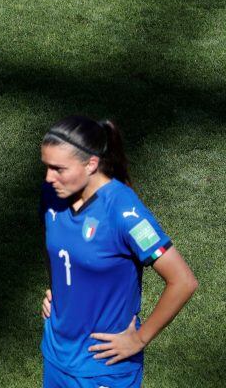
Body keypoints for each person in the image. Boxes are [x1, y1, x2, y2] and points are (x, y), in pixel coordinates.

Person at [39, 115, 197, 387]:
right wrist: (57, 290)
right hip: (56, 354)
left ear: (91, 164)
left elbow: (183, 281)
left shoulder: (125, 213)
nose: (48, 177)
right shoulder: (54, 194)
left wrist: (139, 338)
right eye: (46, 167)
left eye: (58, 168)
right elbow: (56, 246)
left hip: (103, 368)